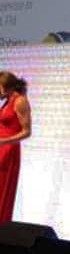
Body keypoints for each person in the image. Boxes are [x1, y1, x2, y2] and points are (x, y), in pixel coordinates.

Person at [0, 72, 32, 223]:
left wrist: (4, 141)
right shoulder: (7, 100)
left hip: (8, 150)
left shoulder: (20, 101)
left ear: (7, 87)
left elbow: (27, 132)